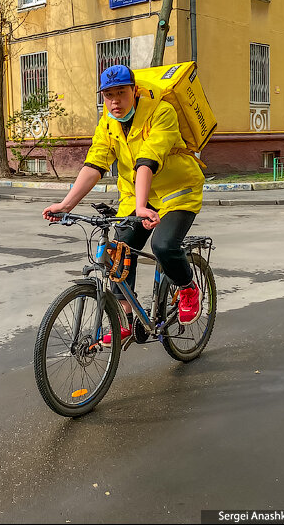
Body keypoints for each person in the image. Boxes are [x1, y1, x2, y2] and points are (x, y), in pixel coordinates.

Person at [42, 64, 206, 345]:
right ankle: (126, 319)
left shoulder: (161, 112)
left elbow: (147, 160)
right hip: (136, 195)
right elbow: (95, 164)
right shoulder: (108, 123)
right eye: (109, 95)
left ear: (135, 91)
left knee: (164, 245)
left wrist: (142, 207)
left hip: (177, 191)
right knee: (119, 252)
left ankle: (188, 287)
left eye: (121, 93)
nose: (115, 101)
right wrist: (66, 204)